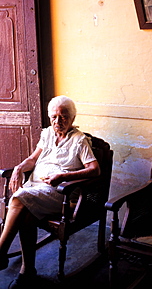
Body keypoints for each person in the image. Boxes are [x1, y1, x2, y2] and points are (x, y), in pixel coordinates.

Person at [0, 95, 100, 288]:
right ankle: (27, 271)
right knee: (26, 215)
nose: (58, 121)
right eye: (54, 117)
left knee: (19, 198)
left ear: (72, 118)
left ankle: (1, 251)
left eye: (63, 117)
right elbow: (33, 159)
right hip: (36, 188)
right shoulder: (46, 134)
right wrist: (20, 167)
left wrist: (63, 177)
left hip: (59, 193)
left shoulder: (79, 141)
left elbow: (95, 169)